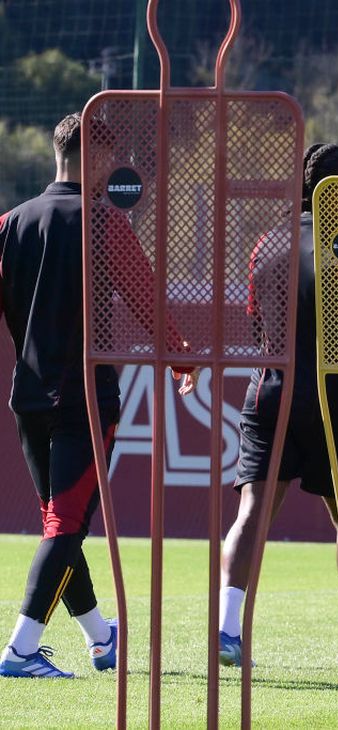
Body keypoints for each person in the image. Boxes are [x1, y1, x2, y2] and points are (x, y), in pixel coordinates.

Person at [0, 113, 194, 678]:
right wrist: (183, 358)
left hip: (29, 401)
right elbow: (146, 299)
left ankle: (102, 639)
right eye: (112, 155)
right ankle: (20, 650)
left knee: (63, 524)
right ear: (95, 153)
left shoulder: (11, 223)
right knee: (67, 527)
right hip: (84, 399)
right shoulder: (104, 221)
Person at [211, 143, 338, 667]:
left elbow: (256, 325)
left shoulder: (266, 243)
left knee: (252, 512)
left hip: (268, 394)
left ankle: (227, 631)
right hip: (332, 402)